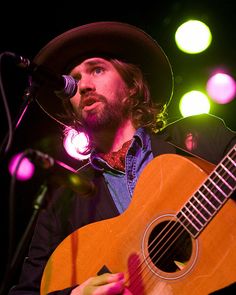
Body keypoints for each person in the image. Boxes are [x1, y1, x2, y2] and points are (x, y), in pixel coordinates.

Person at [7, 21, 236, 295]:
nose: (83, 86)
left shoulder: (199, 138)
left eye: (97, 70)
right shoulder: (63, 198)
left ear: (132, 86)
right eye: (74, 79)